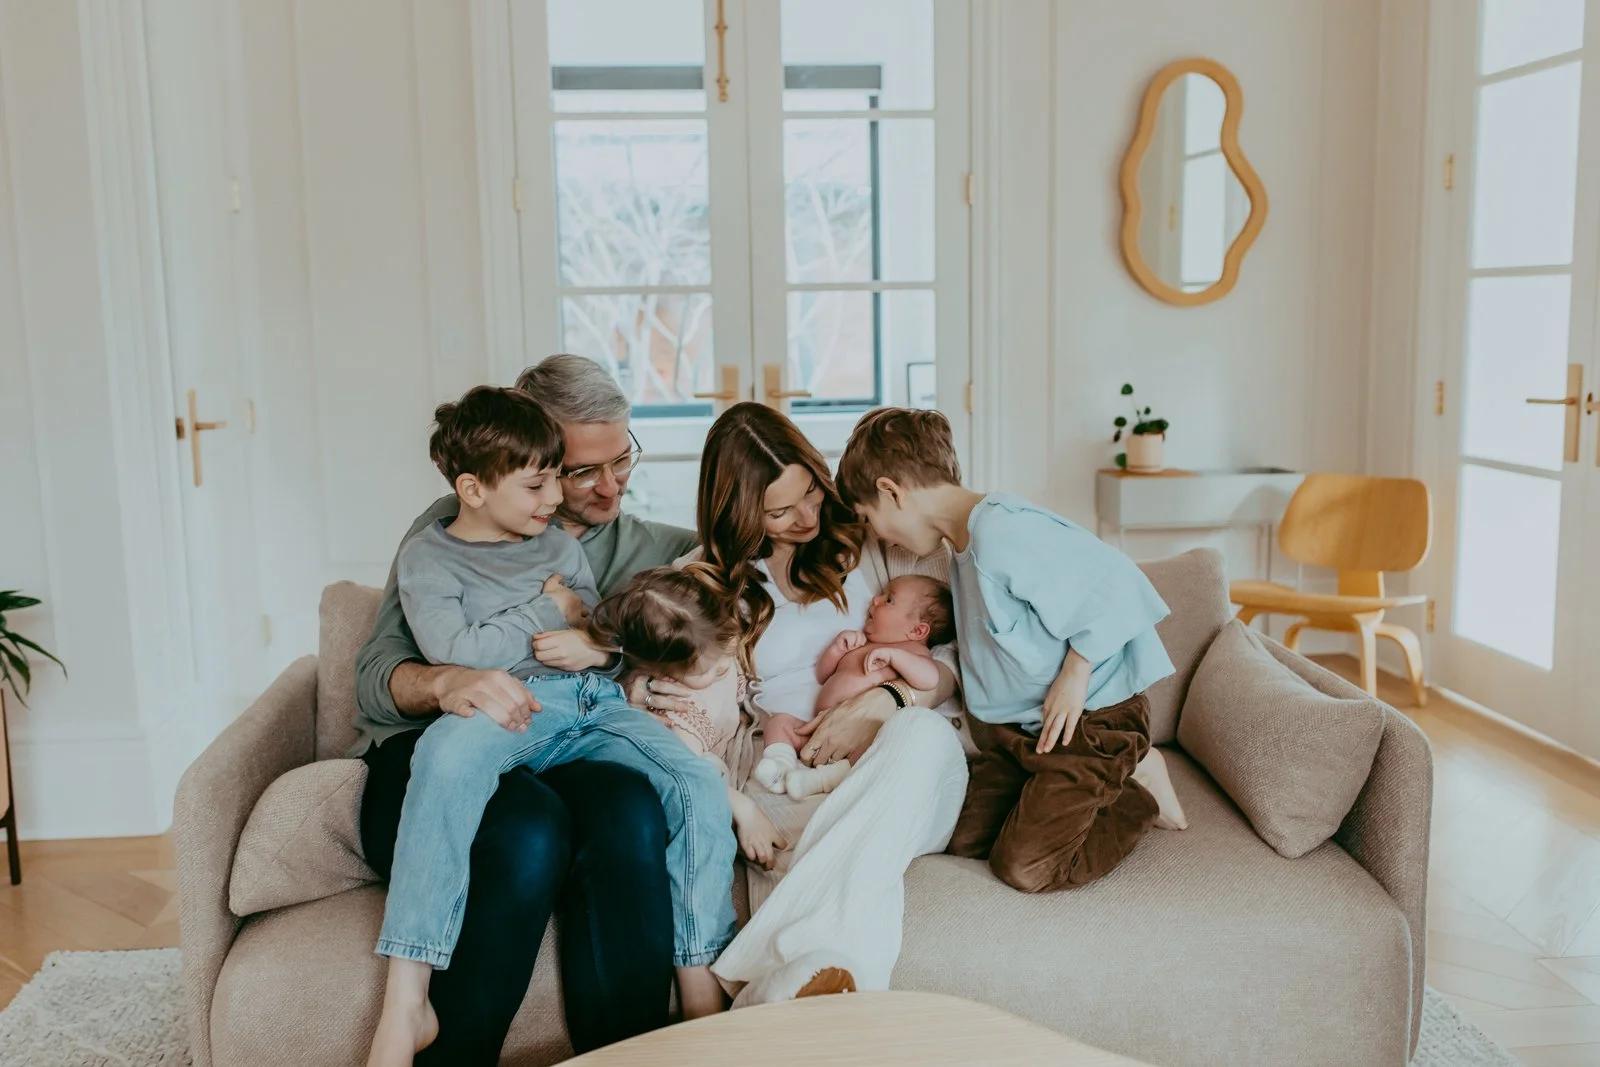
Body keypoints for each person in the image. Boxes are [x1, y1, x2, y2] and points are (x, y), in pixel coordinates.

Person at [367, 386, 736, 1067]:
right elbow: (458, 649)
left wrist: (592, 637)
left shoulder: (560, 548)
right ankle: (408, 995)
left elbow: (595, 624)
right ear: (474, 488)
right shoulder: (431, 552)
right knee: (450, 759)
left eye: (615, 463)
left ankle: (698, 984)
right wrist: (547, 614)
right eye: (545, 482)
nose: (555, 500)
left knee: (693, 781)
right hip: (506, 709)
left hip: (589, 703)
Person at [633, 402, 969, 1006]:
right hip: (790, 761)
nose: (808, 516)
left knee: (923, 737)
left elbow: (956, 658)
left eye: (811, 492)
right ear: (738, 512)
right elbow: (664, 693)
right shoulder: (704, 582)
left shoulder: (873, 539)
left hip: (903, 763)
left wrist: (889, 699)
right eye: (781, 510)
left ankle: (750, 990)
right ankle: (798, 988)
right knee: (810, 849)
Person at [835, 407, 1189, 896]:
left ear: (892, 492)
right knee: (962, 837)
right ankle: (1061, 791)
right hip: (1024, 736)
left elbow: (1120, 581)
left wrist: (1077, 671)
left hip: (1092, 723)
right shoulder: (961, 547)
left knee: (1024, 867)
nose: (876, 534)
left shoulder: (1003, 530)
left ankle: (1137, 786)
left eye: (868, 517)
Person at [587, 566, 788, 869]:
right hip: (702, 772)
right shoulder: (675, 709)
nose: (722, 664)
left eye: (725, 645)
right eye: (704, 670)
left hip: (733, 742)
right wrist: (743, 808)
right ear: (659, 672)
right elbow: (694, 775)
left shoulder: (714, 643)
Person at [777, 575, 956, 800]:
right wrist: (836, 649)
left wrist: (894, 657)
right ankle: (778, 762)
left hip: (862, 737)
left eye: (889, 599)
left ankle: (821, 780)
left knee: (878, 750)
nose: (875, 600)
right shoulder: (863, 643)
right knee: (780, 722)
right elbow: (823, 676)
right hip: (819, 727)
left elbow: (930, 679)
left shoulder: (913, 652)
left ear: (917, 631)